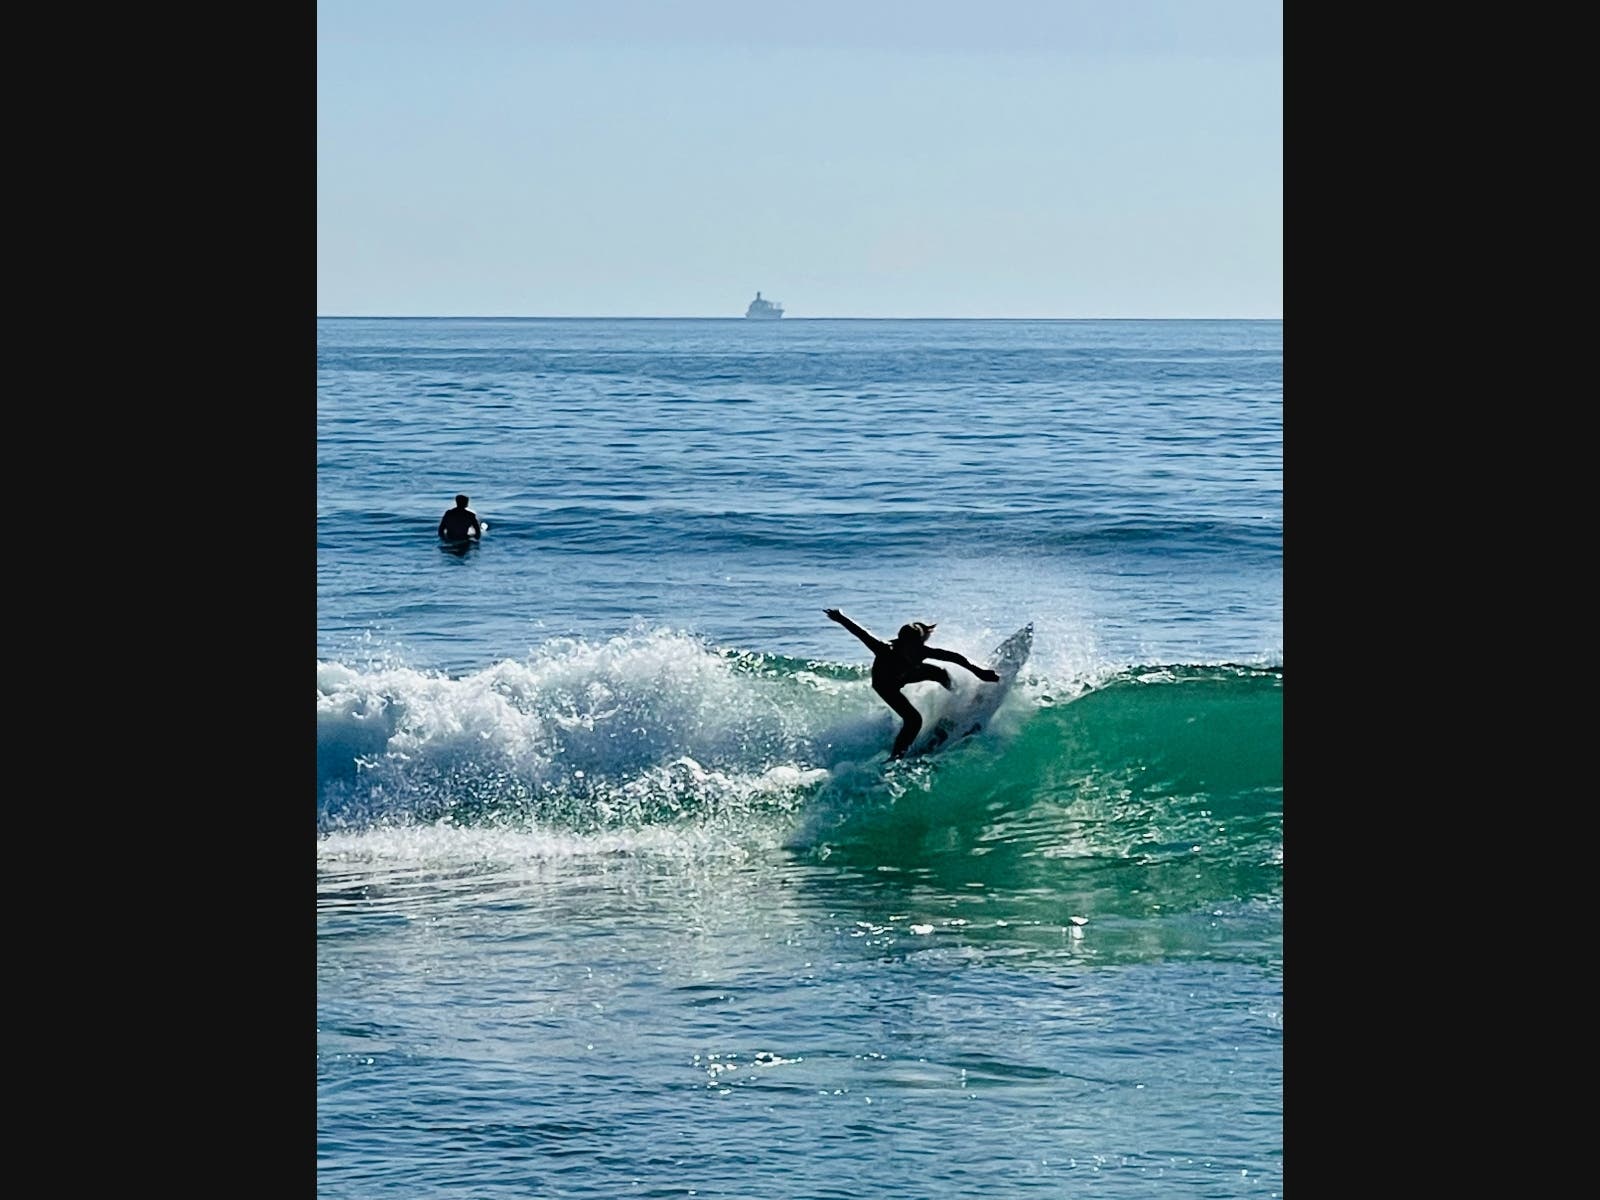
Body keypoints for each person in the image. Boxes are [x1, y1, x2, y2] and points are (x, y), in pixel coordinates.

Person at [824, 608, 1000, 759]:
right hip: (886, 685)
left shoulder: (922, 651)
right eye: (909, 647)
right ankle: (897, 756)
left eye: (917, 647)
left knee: (939, 673)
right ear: (901, 642)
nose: (913, 652)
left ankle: (962, 700)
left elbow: (954, 657)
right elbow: (860, 632)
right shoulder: (884, 649)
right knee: (914, 720)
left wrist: (979, 671)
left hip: (906, 674)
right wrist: (840, 617)